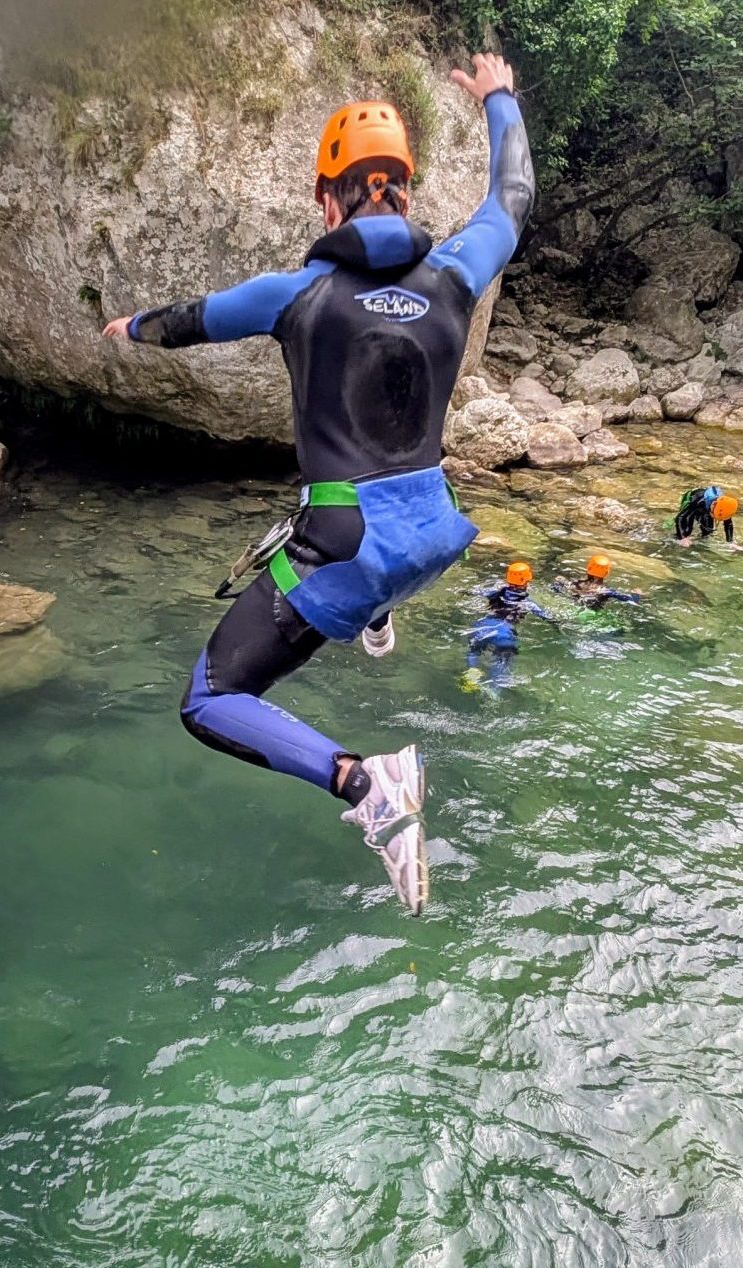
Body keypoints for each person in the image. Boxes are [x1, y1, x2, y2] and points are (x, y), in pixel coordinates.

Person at [100, 53, 534, 913]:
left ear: (326, 202)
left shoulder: (295, 293)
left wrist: (132, 328)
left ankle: (366, 782)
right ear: (404, 195)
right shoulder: (456, 273)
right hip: (438, 533)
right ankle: (375, 619)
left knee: (211, 698)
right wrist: (499, 99)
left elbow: (191, 322)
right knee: (366, 552)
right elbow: (511, 199)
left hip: (347, 546)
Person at [465, 561, 551, 692]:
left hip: (482, 626)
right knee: (503, 661)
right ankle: (494, 690)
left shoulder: (494, 592)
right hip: (504, 633)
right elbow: (547, 617)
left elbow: (473, 592)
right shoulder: (528, 603)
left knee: (474, 651)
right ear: (527, 582)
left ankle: (472, 671)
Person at [558, 553, 646, 610]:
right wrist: (637, 594)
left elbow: (558, 585)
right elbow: (631, 600)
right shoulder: (606, 590)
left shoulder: (574, 583)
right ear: (607, 573)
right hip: (593, 611)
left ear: (588, 568)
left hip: (573, 607)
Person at [674, 486, 740, 546]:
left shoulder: (724, 507)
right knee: (687, 530)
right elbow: (680, 517)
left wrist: (730, 542)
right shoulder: (698, 502)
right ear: (713, 505)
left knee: (708, 531)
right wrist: (683, 538)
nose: (716, 519)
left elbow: (728, 524)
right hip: (692, 501)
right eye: (714, 515)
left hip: (707, 507)